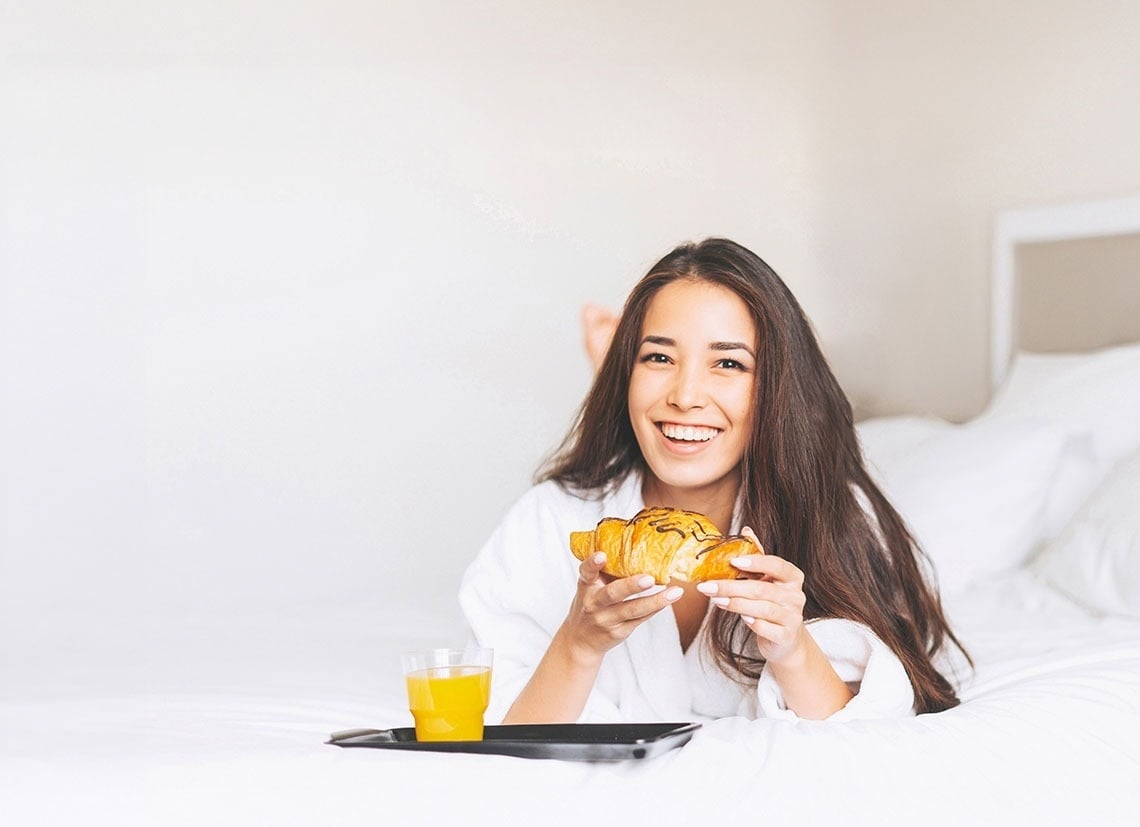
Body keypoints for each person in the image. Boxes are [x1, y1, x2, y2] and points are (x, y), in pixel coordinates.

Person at [459, 238, 968, 724]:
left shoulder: (827, 519)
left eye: (728, 363)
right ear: (625, 372)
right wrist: (579, 642)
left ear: (776, 386)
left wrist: (791, 647)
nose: (685, 394)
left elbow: (871, 729)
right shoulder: (551, 519)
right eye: (658, 357)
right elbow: (503, 729)